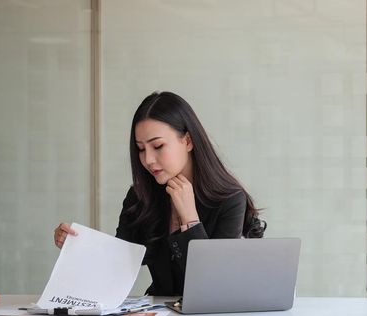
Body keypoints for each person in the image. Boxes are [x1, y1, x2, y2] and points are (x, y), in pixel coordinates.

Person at [52, 91, 266, 296]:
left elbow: (214, 285)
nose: (148, 160)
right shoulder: (140, 197)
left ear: (188, 141)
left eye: (158, 146)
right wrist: (77, 246)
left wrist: (190, 220)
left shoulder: (229, 200)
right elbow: (119, 262)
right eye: (141, 149)